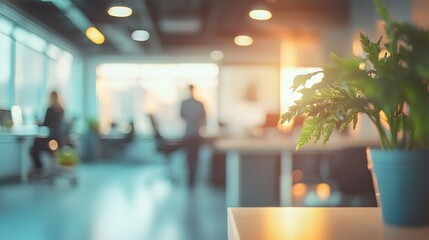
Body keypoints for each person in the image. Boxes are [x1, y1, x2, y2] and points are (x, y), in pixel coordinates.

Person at [29, 91, 65, 172]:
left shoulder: (50, 109)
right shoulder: (61, 110)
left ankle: (39, 168)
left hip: (51, 141)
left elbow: (45, 124)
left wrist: (36, 122)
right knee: (37, 143)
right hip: (59, 141)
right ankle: (42, 169)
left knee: (33, 148)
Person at [180, 84, 206, 188]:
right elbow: (203, 118)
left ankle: (190, 180)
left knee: (190, 158)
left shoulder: (184, 103)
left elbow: (181, 116)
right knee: (195, 158)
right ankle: (193, 180)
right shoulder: (199, 104)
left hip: (188, 134)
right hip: (196, 134)